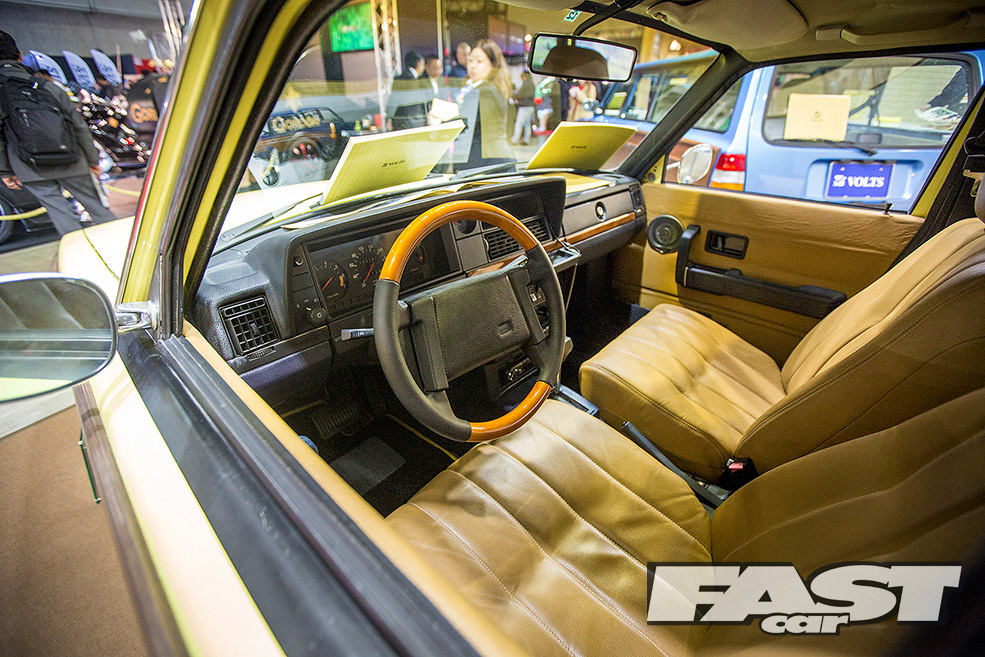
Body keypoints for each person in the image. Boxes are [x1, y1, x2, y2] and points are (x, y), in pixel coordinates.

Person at [0, 31, 116, 235]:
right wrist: (92, 159)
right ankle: (121, 246)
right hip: (71, 158)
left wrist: (6, 171)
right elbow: (79, 127)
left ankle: (80, 250)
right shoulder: (50, 87)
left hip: (29, 165)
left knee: (60, 213)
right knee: (98, 209)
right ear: (20, 55)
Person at [453, 39, 513, 170]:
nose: (473, 66)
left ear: (493, 64)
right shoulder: (486, 87)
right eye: (470, 60)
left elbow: (466, 124)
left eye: (479, 61)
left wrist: (442, 120)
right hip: (492, 159)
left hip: (488, 163)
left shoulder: (485, 92)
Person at [387, 50, 429, 130]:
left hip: (399, 122)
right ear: (419, 63)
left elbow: (392, 100)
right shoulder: (416, 81)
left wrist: (389, 118)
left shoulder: (398, 78)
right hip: (414, 123)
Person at [511, 70, 535, 145]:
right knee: (527, 124)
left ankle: (515, 139)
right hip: (531, 107)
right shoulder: (532, 84)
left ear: (524, 77)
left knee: (519, 123)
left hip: (525, 107)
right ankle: (526, 140)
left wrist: (514, 97)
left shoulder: (526, 84)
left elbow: (520, 94)